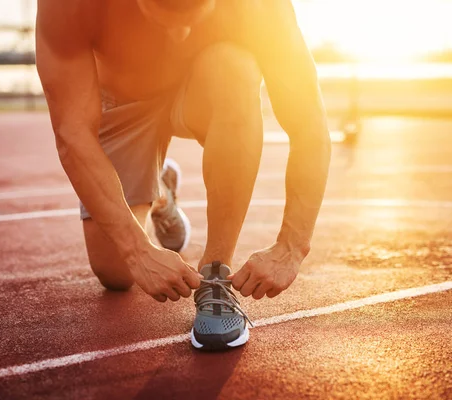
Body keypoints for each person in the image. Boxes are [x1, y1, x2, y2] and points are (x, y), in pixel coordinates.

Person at [36, 0, 331, 350]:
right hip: (122, 99)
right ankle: (160, 191)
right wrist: (136, 251)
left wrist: (292, 247)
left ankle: (215, 274)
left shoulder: (261, 6)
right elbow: (72, 134)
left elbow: (309, 124)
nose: (180, 35)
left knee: (234, 68)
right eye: (163, 19)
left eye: (195, 17)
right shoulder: (69, 6)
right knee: (115, 273)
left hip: (203, 88)